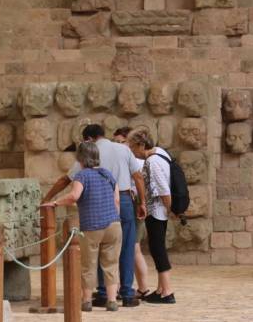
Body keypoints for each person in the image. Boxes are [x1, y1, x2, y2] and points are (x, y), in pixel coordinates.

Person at [43, 123, 146, 307]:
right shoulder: (123, 149)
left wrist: (49, 198)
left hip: (97, 202)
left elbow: (66, 180)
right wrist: (142, 202)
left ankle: (102, 293)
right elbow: (138, 176)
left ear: (88, 139)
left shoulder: (88, 152)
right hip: (123, 198)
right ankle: (127, 293)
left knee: (96, 250)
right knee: (125, 247)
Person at [41, 142, 121, 311]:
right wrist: (114, 217)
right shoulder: (108, 174)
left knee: (88, 264)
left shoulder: (82, 176)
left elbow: (74, 196)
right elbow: (116, 200)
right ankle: (112, 301)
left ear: (80, 159)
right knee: (111, 263)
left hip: (93, 225)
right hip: (114, 224)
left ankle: (86, 301)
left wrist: (54, 203)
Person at [128, 128, 175, 304]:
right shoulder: (161, 153)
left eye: (133, 147)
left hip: (157, 211)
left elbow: (163, 190)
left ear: (141, 144)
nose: (132, 151)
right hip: (159, 210)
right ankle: (162, 288)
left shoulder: (152, 161)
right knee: (158, 248)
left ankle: (167, 291)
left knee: (158, 249)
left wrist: (172, 210)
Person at [113, 126, 150, 298]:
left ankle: (141, 288)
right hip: (130, 203)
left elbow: (138, 181)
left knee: (133, 248)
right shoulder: (127, 158)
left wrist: (141, 203)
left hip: (132, 204)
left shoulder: (137, 161)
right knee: (127, 247)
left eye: (122, 142)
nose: (119, 146)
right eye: (117, 142)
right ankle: (130, 286)